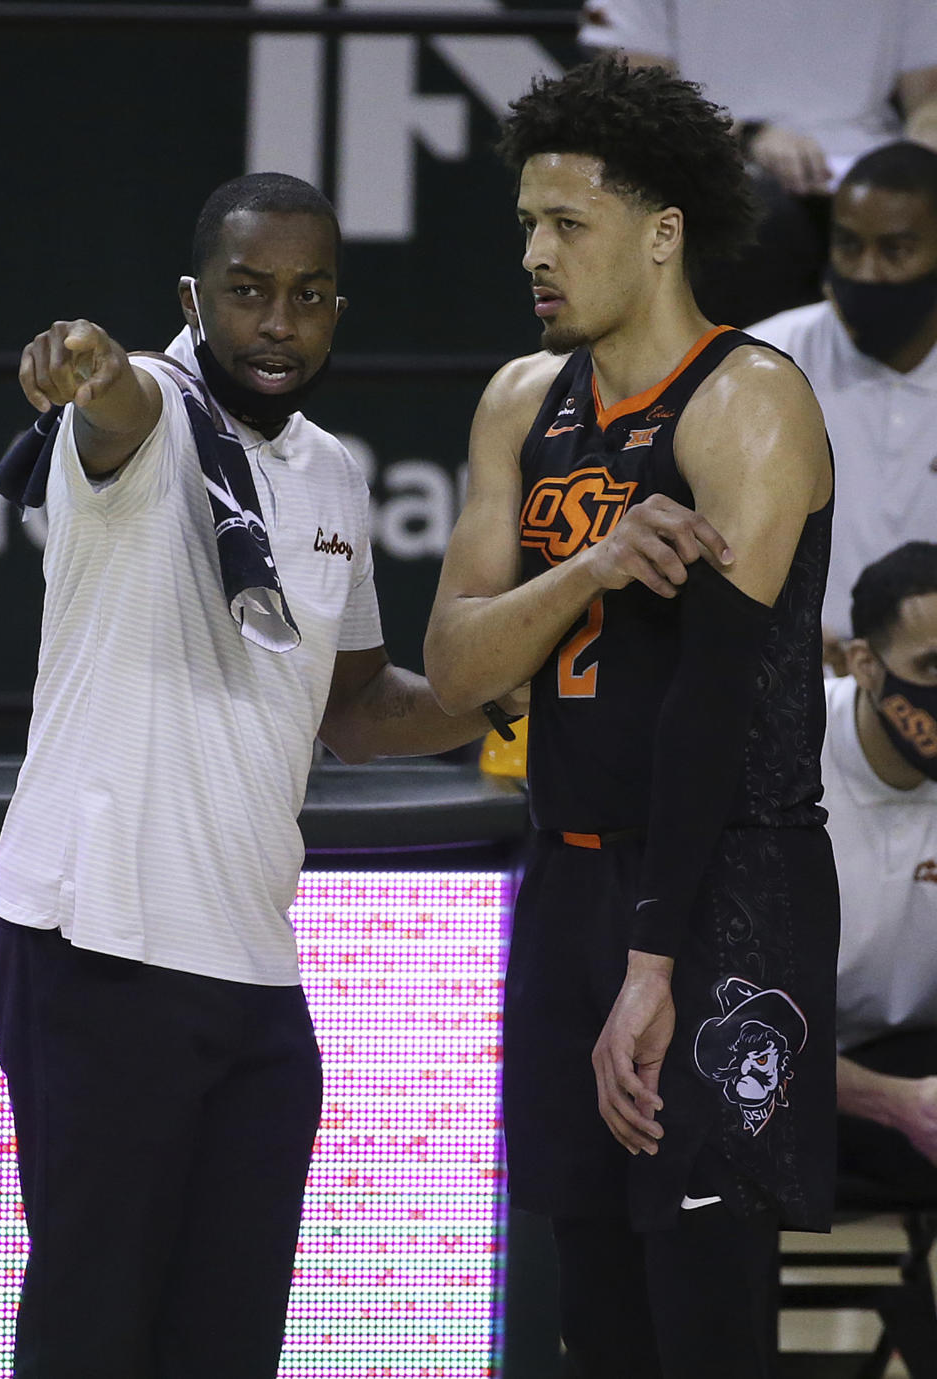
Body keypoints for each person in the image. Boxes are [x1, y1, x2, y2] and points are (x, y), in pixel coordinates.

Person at [0, 172, 521, 1379]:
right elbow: (112, 397)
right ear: (193, 297)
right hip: (99, 946)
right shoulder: (147, 414)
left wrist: (523, 673)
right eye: (247, 293)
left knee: (228, 1343)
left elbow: (363, 709)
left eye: (309, 294)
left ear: (337, 307)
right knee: (89, 1333)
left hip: (252, 973)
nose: (278, 322)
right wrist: (87, 360)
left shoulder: (331, 472)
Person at [424, 55, 838, 1379]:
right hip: (571, 874)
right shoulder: (517, 402)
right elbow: (454, 663)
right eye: (528, 225)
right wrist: (594, 565)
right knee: (592, 1305)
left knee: (703, 1303)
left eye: (568, 226)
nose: (535, 254)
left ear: (662, 236)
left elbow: (711, 711)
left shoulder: (749, 400)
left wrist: (657, 965)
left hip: (723, 882)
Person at [579, 0, 937, 325]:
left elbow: (929, 101)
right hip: (717, 165)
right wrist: (748, 136)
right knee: (761, 222)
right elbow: (636, 99)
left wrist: (914, 167)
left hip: (867, 172)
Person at [751, 142, 937, 673]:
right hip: (791, 684)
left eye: (896, 250)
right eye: (849, 246)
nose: (866, 272)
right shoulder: (758, 365)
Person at [825, 542, 937, 1201]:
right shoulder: (773, 756)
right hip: (784, 1067)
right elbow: (717, 1014)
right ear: (865, 664)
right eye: (932, 666)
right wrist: (899, 1103)